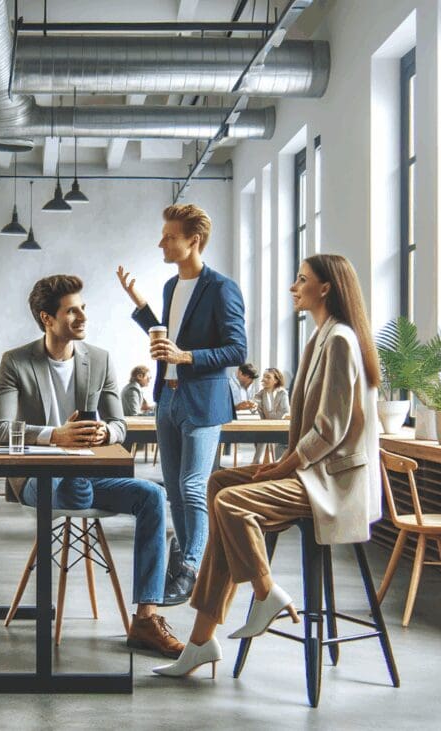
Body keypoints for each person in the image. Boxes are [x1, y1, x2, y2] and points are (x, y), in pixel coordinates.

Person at [153, 254, 383, 678]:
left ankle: (265, 591)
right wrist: (284, 465)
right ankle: (202, 642)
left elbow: (329, 430)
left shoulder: (339, 341)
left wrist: (282, 467)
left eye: (302, 280)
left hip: (332, 483)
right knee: (219, 482)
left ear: (326, 288)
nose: (294, 287)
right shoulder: (321, 338)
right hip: (313, 472)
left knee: (231, 503)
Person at [0, 275, 186, 656]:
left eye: (83, 308)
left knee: (151, 496)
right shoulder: (16, 361)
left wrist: (103, 435)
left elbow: (120, 425)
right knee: (71, 481)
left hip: (89, 476)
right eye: (72, 310)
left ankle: (145, 618)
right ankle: (75, 472)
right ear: (47, 319)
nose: (82, 316)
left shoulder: (99, 359)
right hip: (36, 480)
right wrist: (55, 436)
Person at [116, 204, 247, 604]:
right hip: (167, 397)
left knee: (193, 486)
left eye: (170, 236)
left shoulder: (222, 288)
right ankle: (193, 564)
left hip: (204, 400)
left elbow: (236, 349)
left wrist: (185, 357)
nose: (162, 242)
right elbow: (168, 336)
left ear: (193, 241)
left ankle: (190, 565)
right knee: (173, 489)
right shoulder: (172, 287)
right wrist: (140, 305)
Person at [250, 367, 291, 464]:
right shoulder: (261, 393)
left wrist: (268, 416)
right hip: (266, 428)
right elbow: (254, 406)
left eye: (268, 377)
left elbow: (284, 413)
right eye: (264, 377)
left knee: (265, 436)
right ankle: (257, 463)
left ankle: (268, 464)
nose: (263, 379)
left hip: (281, 428)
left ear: (276, 380)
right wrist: (253, 406)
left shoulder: (282, 393)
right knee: (261, 434)